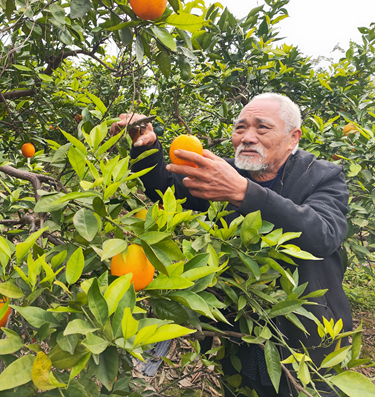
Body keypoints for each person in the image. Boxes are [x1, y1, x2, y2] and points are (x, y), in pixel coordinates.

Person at [111, 93, 353, 396]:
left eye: (261, 128)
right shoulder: (227, 172)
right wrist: (146, 147)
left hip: (304, 333)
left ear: (293, 138)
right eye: (240, 128)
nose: (247, 137)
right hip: (242, 325)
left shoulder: (321, 175)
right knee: (242, 387)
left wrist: (244, 193)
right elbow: (168, 187)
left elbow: (324, 233)